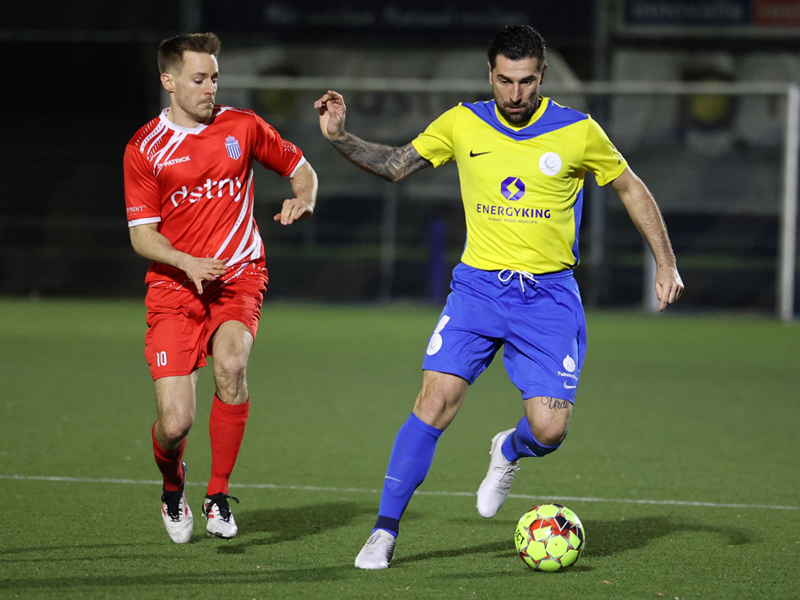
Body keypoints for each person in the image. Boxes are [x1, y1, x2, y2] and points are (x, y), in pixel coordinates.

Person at [314, 25, 683, 569]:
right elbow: (395, 165)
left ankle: (509, 449)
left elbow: (630, 186)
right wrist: (339, 136)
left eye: (526, 81)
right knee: (433, 402)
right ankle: (384, 532)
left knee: (551, 430)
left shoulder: (578, 131)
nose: (515, 93)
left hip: (550, 297)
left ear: (542, 77)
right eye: (505, 81)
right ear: (490, 74)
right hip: (478, 289)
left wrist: (666, 261)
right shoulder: (462, 122)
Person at [124, 32, 318, 544]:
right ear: (169, 82)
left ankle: (217, 495)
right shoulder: (145, 149)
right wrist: (185, 261)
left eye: (215, 77)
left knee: (232, 366)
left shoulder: (243, 126)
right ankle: (173, 489)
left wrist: (304, 198)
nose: (211, 87)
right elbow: (142, 235)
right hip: (174, 287)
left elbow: (301, 169)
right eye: (199, 78)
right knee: (175, 423)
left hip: (238, 276)